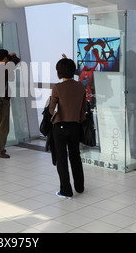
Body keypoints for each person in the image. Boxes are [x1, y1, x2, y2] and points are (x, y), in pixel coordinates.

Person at [49, 57, 87, 199]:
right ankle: (80, 186)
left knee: (62, 158)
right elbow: (84, 108)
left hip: (60, 127)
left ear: (59, 72)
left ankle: (66, 191)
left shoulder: (57, 88)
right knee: (75, 156)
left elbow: (52, 110)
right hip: (76, 126)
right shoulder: (80, 86)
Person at [0, 49, 20, 158]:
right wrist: (13, 56)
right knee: (3, 126)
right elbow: (16, 62)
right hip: (3, 100)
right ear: (5, 58)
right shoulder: (3, 69)